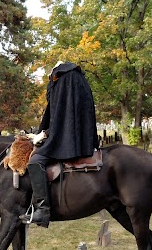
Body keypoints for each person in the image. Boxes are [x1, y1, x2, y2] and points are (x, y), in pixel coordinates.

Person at [20, 62, 99, 227]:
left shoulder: (63, 79)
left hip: (66, 141)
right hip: (76, 138)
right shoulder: (75, 78)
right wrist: (42, 132)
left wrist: (46, 134)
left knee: (35, 161)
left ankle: (42, 210)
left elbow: (60, 118)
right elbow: (61, 115)